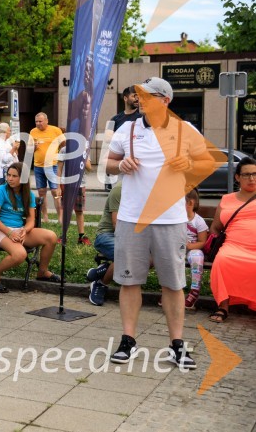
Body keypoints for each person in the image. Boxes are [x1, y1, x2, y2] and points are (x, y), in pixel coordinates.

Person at [105, 77, 214, 369]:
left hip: (170, 218)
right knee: (129, 281)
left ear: (166, 100)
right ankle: (128, 340)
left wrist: (188, 165)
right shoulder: (127, 129)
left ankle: (177, 344)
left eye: (148, 95)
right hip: (132, 218)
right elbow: (109, 163)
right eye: (140, 95)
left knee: (173, 284)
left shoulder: (185, 129)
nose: (141, 100)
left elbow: (206, 163)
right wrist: (121, 165)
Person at [0, 162, 59, 293]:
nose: (10, 179)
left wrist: (25, 230)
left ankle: (42, 272)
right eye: (9, 175)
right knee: (20, 254)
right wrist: (9, 233)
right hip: (0, 230)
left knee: (51, 237)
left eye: (14, 176)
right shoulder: (1, 191)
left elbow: (31, 219)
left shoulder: (28, 194)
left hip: (19, 229)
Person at [208, 157, 256, 323]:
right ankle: (223, 307)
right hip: (233, 246)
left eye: (255, 174)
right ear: (237, 177)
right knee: (222, 259)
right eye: (246, 174)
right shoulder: (227, 199)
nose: (251, 178)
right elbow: (215, 227)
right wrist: (215, 241)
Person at [86, 182, 121, 306]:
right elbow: (117, 225)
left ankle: (103, 270)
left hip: (131, 236)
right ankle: (101, 283)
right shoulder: (119, 189)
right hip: (106, 235)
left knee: (150, 257)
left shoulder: (146, 191)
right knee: (126, 256)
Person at [30, 113, 64, 222]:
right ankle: (45, 217)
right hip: (38, 166)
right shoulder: (33, 131)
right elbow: (30, 149)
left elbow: (64, 144)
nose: (38, 123)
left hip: (52, 165)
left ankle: (60, 217)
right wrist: (34, 147)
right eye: (36, 122)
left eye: (40, 121)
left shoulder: (55, 130)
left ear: (46, 121)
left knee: (55, 191)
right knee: (41, 192)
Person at [105, 86, 140, 191]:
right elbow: (107, 138)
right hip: (119, 166)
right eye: (134, 96)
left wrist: (118, 136)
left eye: (138, 97)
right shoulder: (114, 119)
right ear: (125, 98)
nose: (137, 99)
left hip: (136, 166)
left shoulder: (142, 118)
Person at [56, 146, 93, 246]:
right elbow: (59, 168)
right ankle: (63, 235)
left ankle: (81, 236)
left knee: (79, 211)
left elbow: (89, 168)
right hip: (66, 184)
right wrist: (58, 186)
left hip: (80, 184)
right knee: (66, 211)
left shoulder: (85, 149)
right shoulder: (64, 149)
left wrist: (82, 155)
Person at [184, 189, 208, 309]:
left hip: (192, 249)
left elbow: (202, 241)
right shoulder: (176, 219)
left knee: (197, 257)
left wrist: (190, 246)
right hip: (176, 249)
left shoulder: (198, 221)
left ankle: (194, 290)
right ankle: (169, 291)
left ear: (190, 203)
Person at [0, 122, 17, 187]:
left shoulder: (6, 142)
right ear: (5, 132)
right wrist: (13, 149)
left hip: (7, 173)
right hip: (1, 176)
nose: (10, 132)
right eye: (9, 131)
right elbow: (5, 159)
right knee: (3, 192)